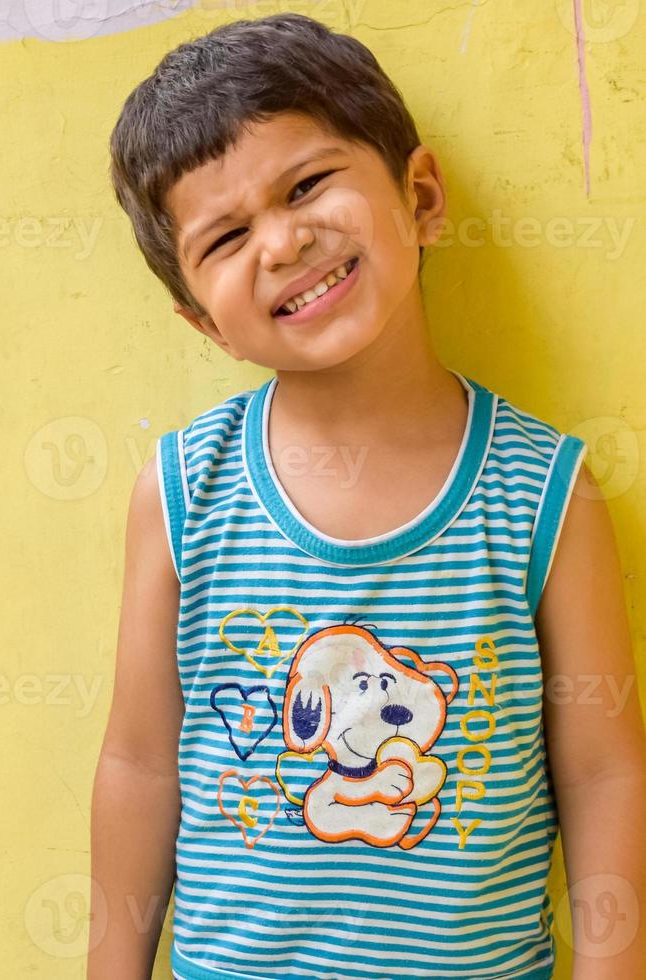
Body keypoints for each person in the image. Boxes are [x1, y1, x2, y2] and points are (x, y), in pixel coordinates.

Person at [89, 13, 646, 979]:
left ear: (420, 196)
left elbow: (604, 774)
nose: (284, 240)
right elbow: (139, 763)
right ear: (200, 320)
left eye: (306, 185)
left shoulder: (546, 491)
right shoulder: (182, 494)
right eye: (225, 236)